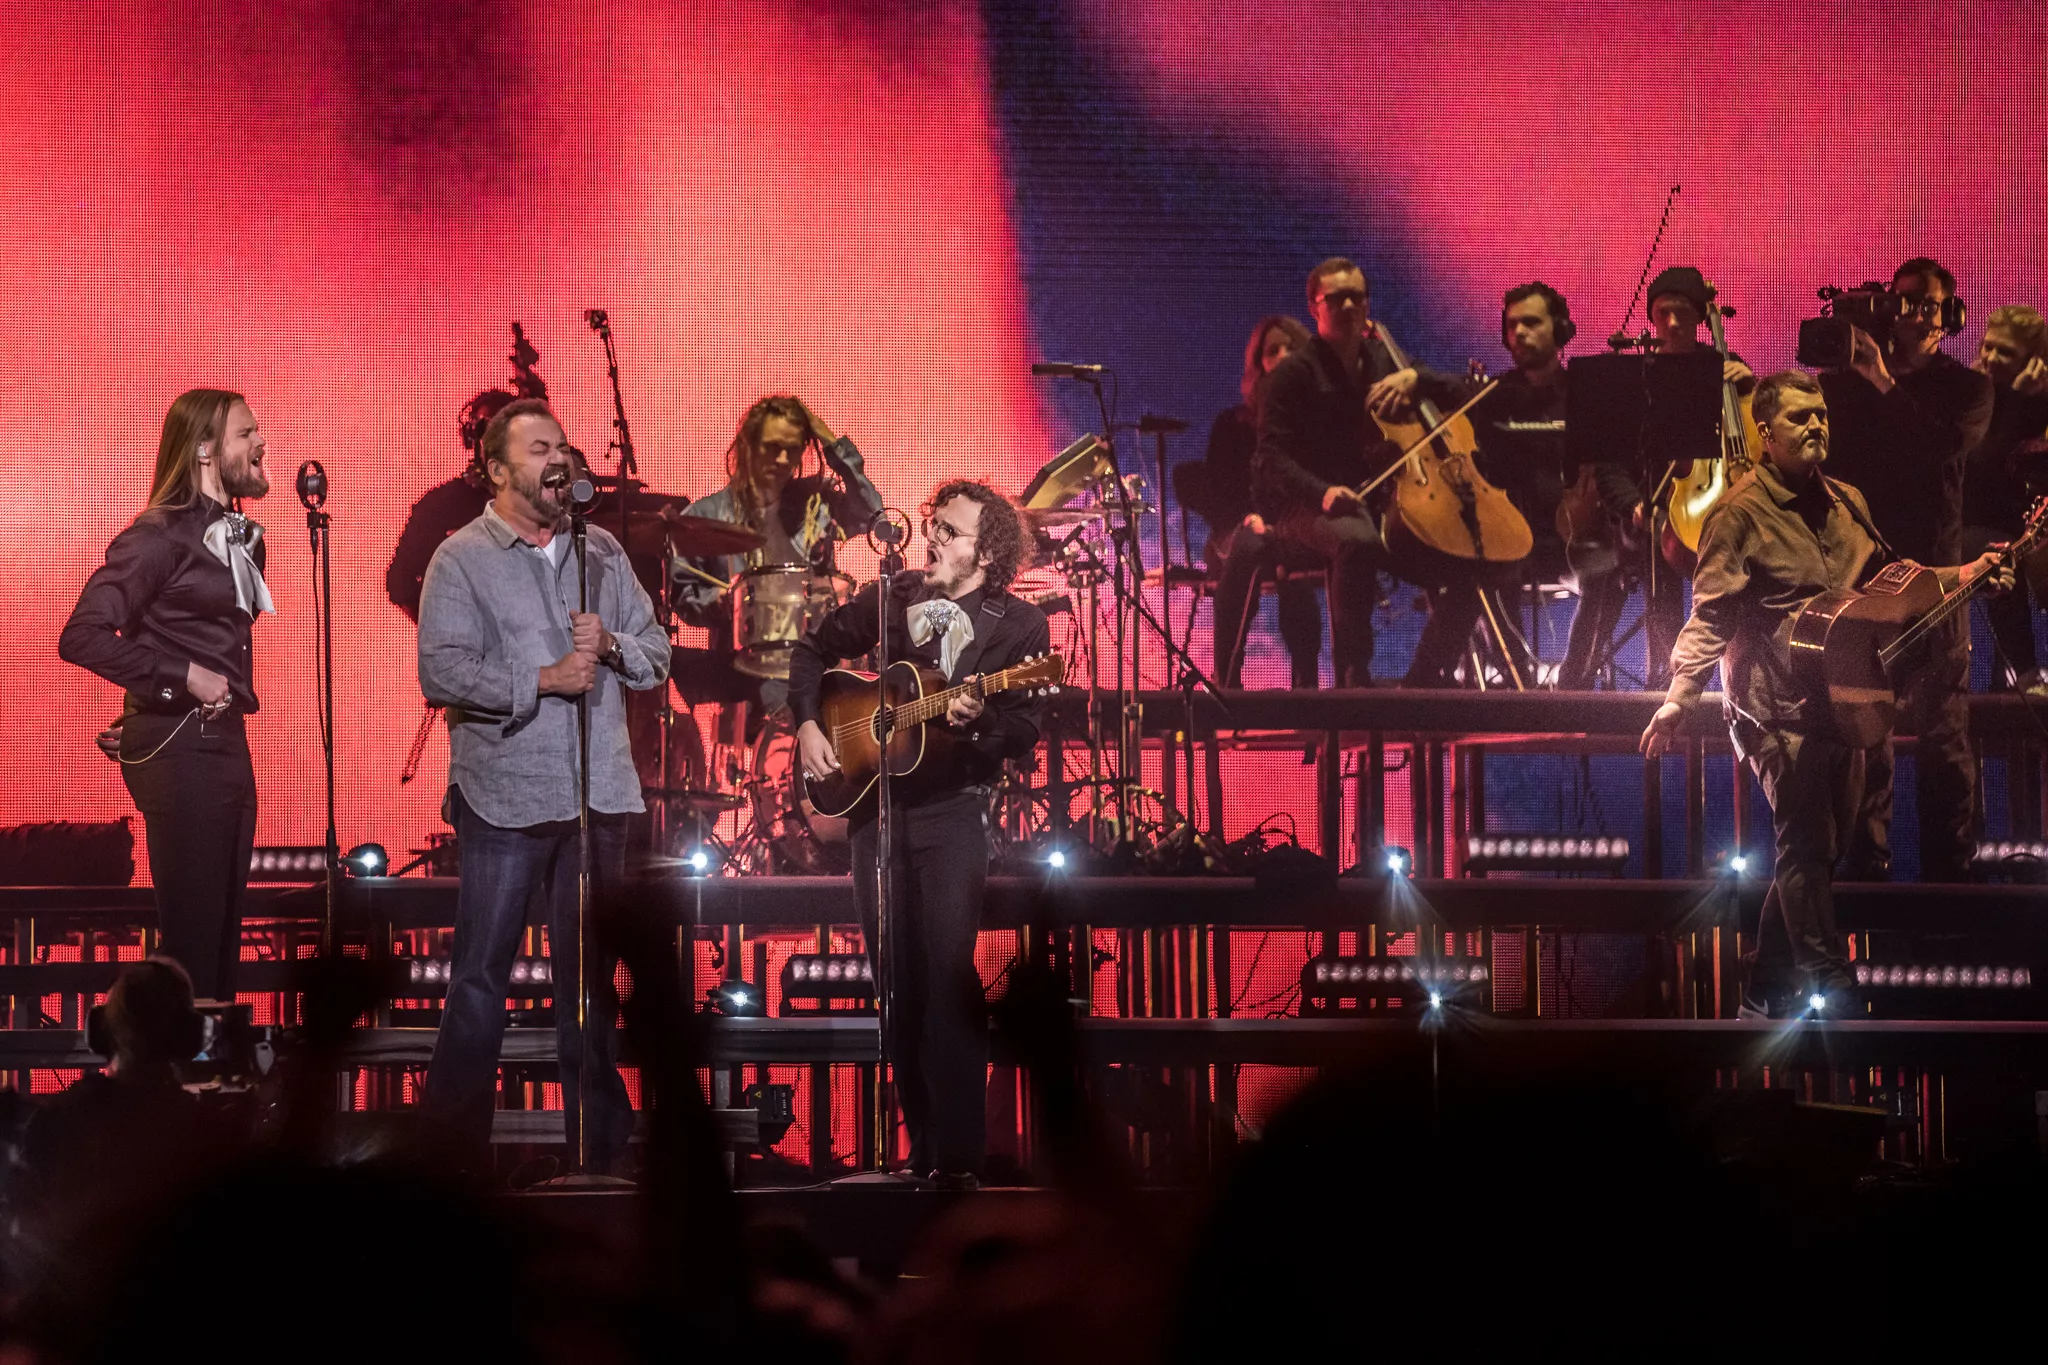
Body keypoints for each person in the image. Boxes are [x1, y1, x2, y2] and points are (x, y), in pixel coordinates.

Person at [1642, 371, 2008, 1015]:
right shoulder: (1738, 514)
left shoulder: (1848, 502)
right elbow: (1711, 615)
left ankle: (1764, 989)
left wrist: (1968, 573)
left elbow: (1895, 582)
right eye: (1799, 418)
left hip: (1842, 702)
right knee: (1808, 841)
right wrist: (1679, 695)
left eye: (1821, 415)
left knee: (1824, 848)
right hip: (1772, 709)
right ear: (1765, 433)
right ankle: (1830, 985)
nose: (1816, 425)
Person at [416, 396, 673, 1174]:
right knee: (480, 980)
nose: (558, 458)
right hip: (506, 796)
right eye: (537, 448)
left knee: (588, 987)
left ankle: (597, 1157)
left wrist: (616, 644)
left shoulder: (601, 552)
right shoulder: (461, 557)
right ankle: (448, 1163)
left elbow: (657, 651)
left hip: (599, 798)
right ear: (496, 471)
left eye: (561, 445)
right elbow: (442, 670)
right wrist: (542, 679)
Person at [789, 480, 1050, 1187]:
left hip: (954, 812)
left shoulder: (1020, 627)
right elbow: (811, 651)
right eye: (933, 524)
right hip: (877, 812)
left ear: (986, 553)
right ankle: (923, 1151)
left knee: (946, 976)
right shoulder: (895, 595)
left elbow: (1023, 728)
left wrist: (981, 719)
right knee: (897, 984)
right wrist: (809, 723)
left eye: (949, 531)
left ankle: (960, 1161)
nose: (931, 537)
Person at [59, 389, 273, 1001]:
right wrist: (179, 678)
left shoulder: (245, 538)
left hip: (223, 743)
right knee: (194, 937)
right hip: (184, 754)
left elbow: (184, 631)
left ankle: (209, 1057)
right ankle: (172, 1057)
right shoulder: (158, 536)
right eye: (245, 433)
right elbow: (81, 636)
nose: (261, 443)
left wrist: (148, 701)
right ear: (205, 450)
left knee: (223, 936)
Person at [1821, 256, 1995, 881]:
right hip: (1865, 574)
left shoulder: (1967, 389)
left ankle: (1951, 877)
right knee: (1865, 730)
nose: (1917, 315)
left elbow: (1938, 448)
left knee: (1943, 733)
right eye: (1905, 302)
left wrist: (1882, 378)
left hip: (1937, 578)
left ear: (1951, 317)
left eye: (1930, 305)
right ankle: (1867, 870)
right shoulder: (1850, 384)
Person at [1253, 257, 1458, 686]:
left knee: (1463, 555)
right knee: (1358, 540)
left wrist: (1416, 379)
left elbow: (1454, 389)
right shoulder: (1292, 374)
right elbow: (1272, 456)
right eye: (1336, 298)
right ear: (1314, 306)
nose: (1348, 306)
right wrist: (1323, 492)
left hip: (1379, 500)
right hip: (1306, 507)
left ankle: (1425, 673)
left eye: (1357, 297)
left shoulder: (1385, 361)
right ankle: (1353, 675)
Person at [671, 395, 884, 712]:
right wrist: (718, 601)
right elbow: (682, 595)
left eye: (793, 449)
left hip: (817, 661)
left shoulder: (818, 504)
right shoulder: (706, 515)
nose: (783, 459)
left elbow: (873, 513)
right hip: (744, 672)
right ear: (748, 447)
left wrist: (829, 440)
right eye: (772, 447)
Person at [1185, 313, 1321, 688]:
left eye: (1291, 348)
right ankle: (1227, 679)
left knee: (1292, 573)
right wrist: (1249, 518)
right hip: (1237, 529)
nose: (1283, 356)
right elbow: (1219, 493)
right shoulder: (1232, 424)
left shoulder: (1317, 425)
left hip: (1293, 530)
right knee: (1249, 545)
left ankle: (1308, 687)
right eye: (1272, 350)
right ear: (1258, 364)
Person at [1964, 304, 2048, 694]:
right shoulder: (1969, 395)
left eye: (2006, 352)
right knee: (1999, 551)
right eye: (1988, 346)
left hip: (2032, 522)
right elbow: (1980, 471)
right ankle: (2026, 672)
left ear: (2035, 360)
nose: (1990, 358)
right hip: (1973, 524)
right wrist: (2014, 400)